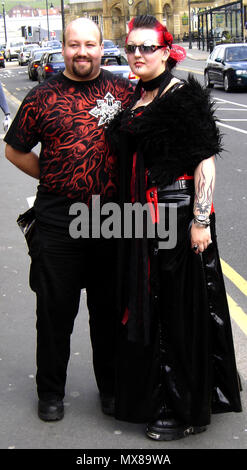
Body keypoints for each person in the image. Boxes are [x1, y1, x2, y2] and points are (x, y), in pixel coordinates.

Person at [107, 15, 242, 441]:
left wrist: (200, 221)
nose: (138, 54)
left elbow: (205, 158)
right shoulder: (136, 96)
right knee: (154, 303)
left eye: (147, 47)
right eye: (132, 47)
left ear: (167, 51)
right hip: (142, 217)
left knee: (177, 310)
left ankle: (184, 407)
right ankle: (159, 393)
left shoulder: (181, 94)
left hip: (178, 213)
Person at [4, 18, 133, 422]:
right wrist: (55, 175)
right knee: (55, 312)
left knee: (109, 311)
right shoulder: (42, 96)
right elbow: (15, 149)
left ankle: (111, 390)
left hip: (112, 217)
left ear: (100, 48)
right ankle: (51, 393)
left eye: (90, 44)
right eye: (74, 44)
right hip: (59, 217)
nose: (82, 51)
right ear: (63, 49)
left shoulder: (124, 91)